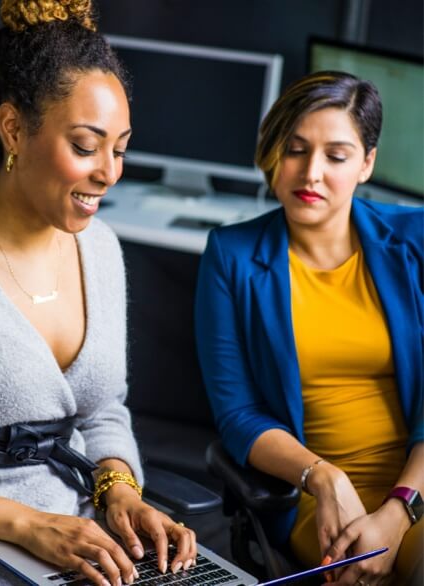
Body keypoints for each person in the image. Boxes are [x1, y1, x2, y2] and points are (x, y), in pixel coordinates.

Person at [0, 1, 196, 584]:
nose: (109, 172)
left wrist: (120, 491)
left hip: (89, 542)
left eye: (120, 148)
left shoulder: (100, 249)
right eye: (85, 146)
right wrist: (24, 525)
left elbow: (103, 408)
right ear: (13, 129)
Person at [195, 71, 423, 586]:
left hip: (417, 487)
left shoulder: (417, 241)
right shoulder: (231, 257)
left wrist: (398, 511)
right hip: (314, 498)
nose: (310, 173)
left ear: (366, 163)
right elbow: (237, 414)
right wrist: (322, 477)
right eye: (295, 150)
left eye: (336, 156)